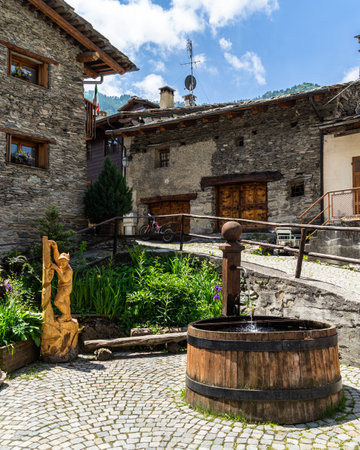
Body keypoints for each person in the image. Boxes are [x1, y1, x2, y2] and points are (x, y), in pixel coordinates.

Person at [48, 240, 73, 322]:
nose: (61, 263)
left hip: (66, 288)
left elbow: (64, 279)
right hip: (61, 287)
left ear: (67, 261)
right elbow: (56, 259)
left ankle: (65, 314)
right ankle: (68, 316)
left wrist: (56, 268)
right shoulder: (62, 265)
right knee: (66, 303)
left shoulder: (69, 270)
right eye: (61, 261)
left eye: (64, 261)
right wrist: (55, 248)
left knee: (57, 302)